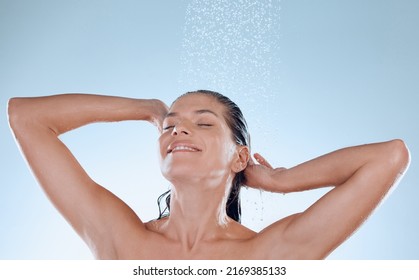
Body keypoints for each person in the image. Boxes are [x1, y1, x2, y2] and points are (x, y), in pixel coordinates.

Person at [7, 90, 409, 259]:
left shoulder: (269, 253)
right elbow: (27, 116)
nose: (178, 130)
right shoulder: (120, 236)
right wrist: (146, 108)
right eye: (170, 125)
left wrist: (282, 180)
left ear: (240, 158)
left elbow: (389, 157)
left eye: (203, 124)